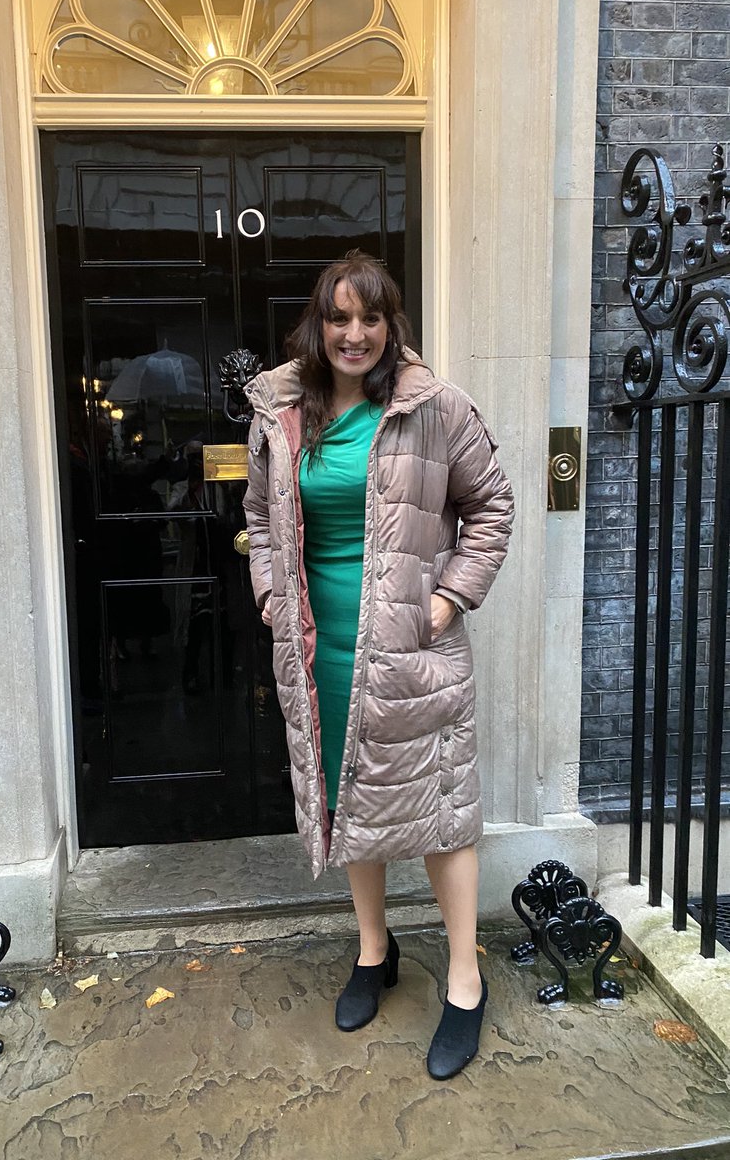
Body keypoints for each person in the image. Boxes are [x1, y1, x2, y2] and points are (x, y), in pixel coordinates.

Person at [242, 251, 514, 1080]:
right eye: (339, 319)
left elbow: (492, 505)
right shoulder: (282, 414)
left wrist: (448, 600)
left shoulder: (436, 408)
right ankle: (373, 951)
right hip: (322, 650)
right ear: (317, 327)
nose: (354, 334)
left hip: (415, 650)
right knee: (348, 800)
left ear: (392, 325)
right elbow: (259, 513)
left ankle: (464, 982)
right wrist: (267, 596)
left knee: (440, 811)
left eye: (370, 318)